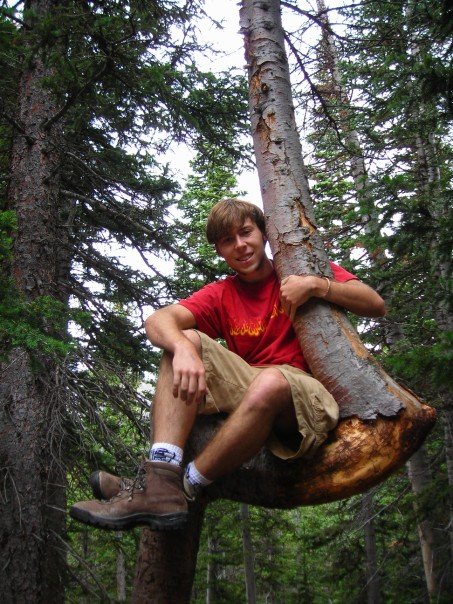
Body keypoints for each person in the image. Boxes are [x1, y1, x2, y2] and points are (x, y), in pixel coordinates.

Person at [70, 199, 386, 531]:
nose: (240, 245)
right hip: (252, 384)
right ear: (220, 250)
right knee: (183, 340)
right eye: (227, 240)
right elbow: (158, 320)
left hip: (305, 395)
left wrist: (317, 285)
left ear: (262, 234)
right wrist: (183, 347)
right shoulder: (223, 293)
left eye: (246, 232)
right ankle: (160, 479)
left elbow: (375, 304)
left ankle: (185, 485)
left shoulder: (296, 270)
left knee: (271, 381)